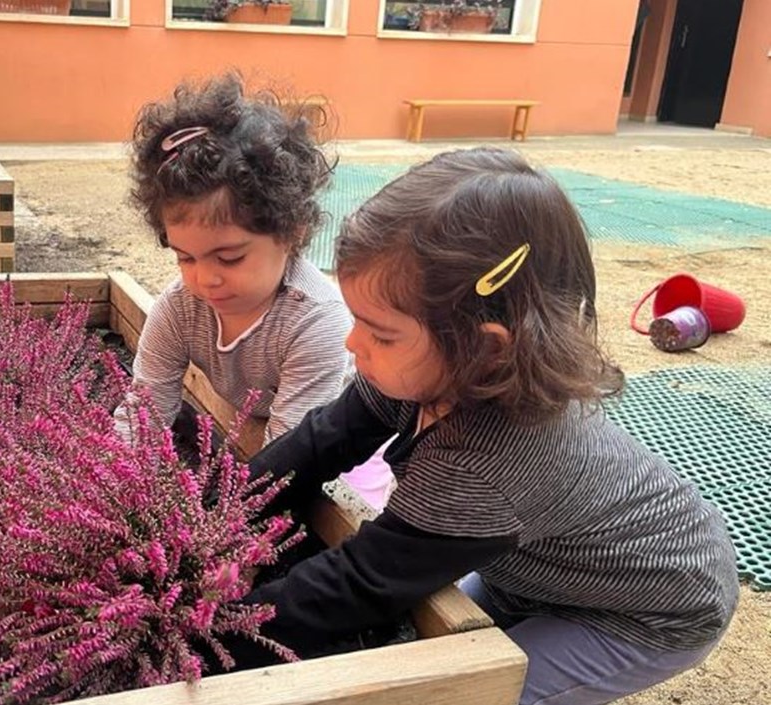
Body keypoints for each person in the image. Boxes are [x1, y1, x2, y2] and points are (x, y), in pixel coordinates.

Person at [241, 147, 738, 705]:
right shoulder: (428, 371)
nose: (352, 343)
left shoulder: (483, 466)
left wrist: (219, 628)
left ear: (484, 346)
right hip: (538, 565)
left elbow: (361, 581)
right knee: (428, 632)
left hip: (641, 612)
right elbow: (322, 440)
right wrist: (225, 509)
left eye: (380, 333)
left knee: (470, 695)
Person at [119, 73, 386, 504]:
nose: (204, 278)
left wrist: (218, 531)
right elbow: (143, 412)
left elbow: (289, 462)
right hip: (266, 432)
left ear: (291, 232)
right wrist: (117, 490)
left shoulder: (316, 320)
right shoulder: (179, 307)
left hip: (341, 455)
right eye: (185, 257)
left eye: (229, 258)